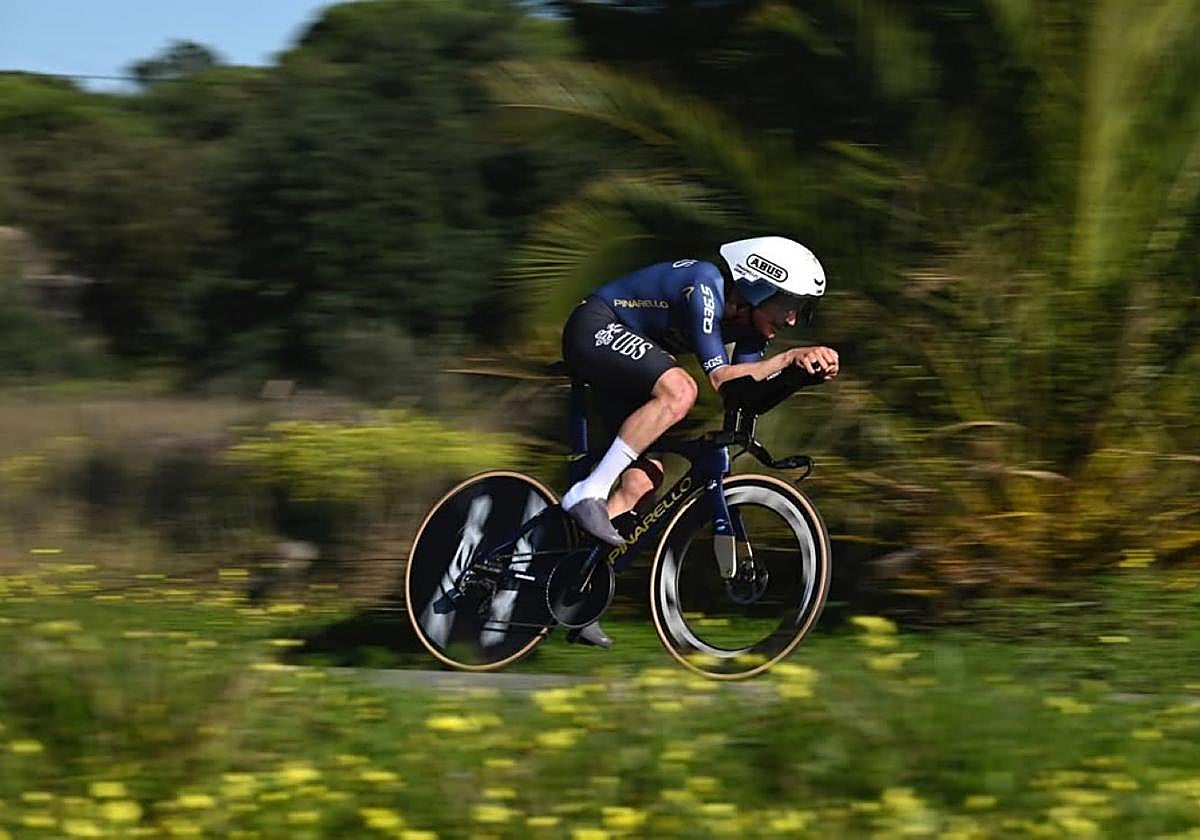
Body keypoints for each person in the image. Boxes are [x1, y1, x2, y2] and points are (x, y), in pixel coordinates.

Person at [559, 235, 839, 647]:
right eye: (790, 304)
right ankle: (588, 493)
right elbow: (719, 378)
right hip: (595, 326)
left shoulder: (750, 326)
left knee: (641, 484)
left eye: (801, 311)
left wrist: (800, 375)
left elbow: (741, 392)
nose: (794, 320)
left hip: (630, 360)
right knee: (680, 391)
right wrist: (788, 358)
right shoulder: (704, 284)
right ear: (762, 283)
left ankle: (574, 590)